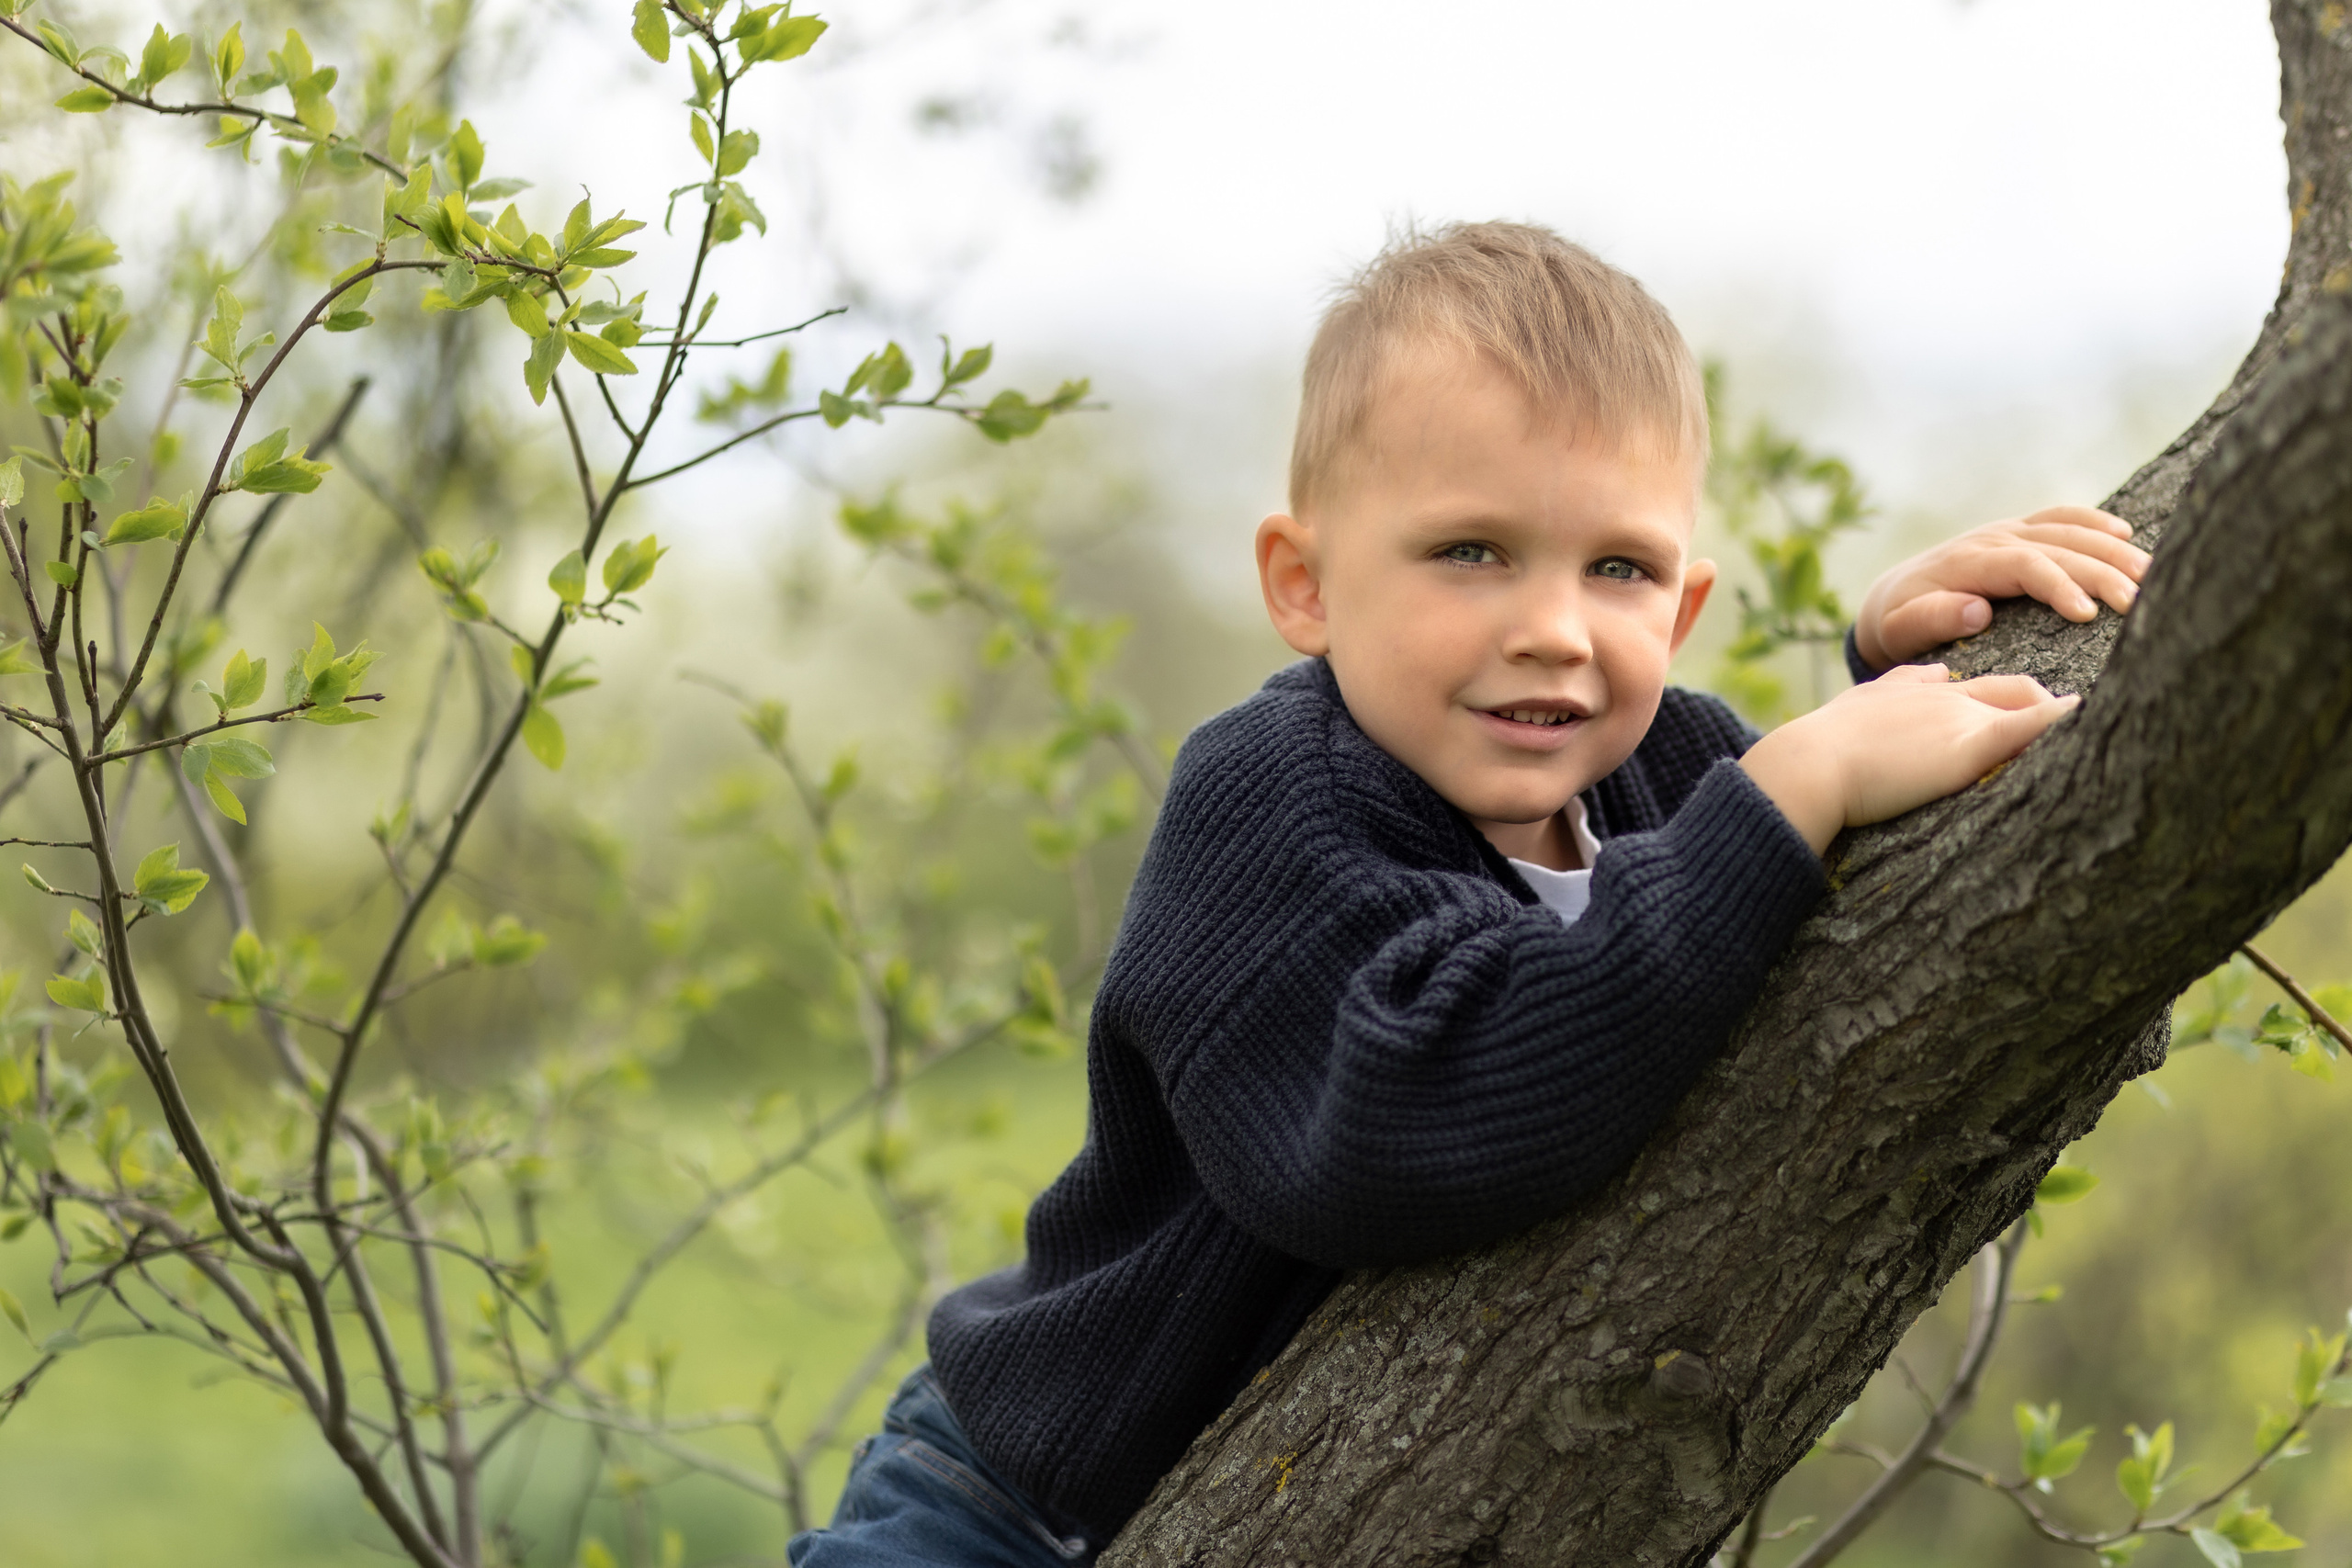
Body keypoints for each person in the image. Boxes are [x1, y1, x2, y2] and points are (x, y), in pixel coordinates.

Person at [786, 222, 2149, 1567]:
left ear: (1677, 615)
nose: (1553, 626)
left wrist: (1898, 672)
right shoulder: (1267, 800)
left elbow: (1766, 915)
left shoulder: (1664, 762)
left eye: (1619, 568)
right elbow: (1419, 1111)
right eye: (1471, 553)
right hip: (1005, 1512)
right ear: (1306, 586)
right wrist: (1795, 783)